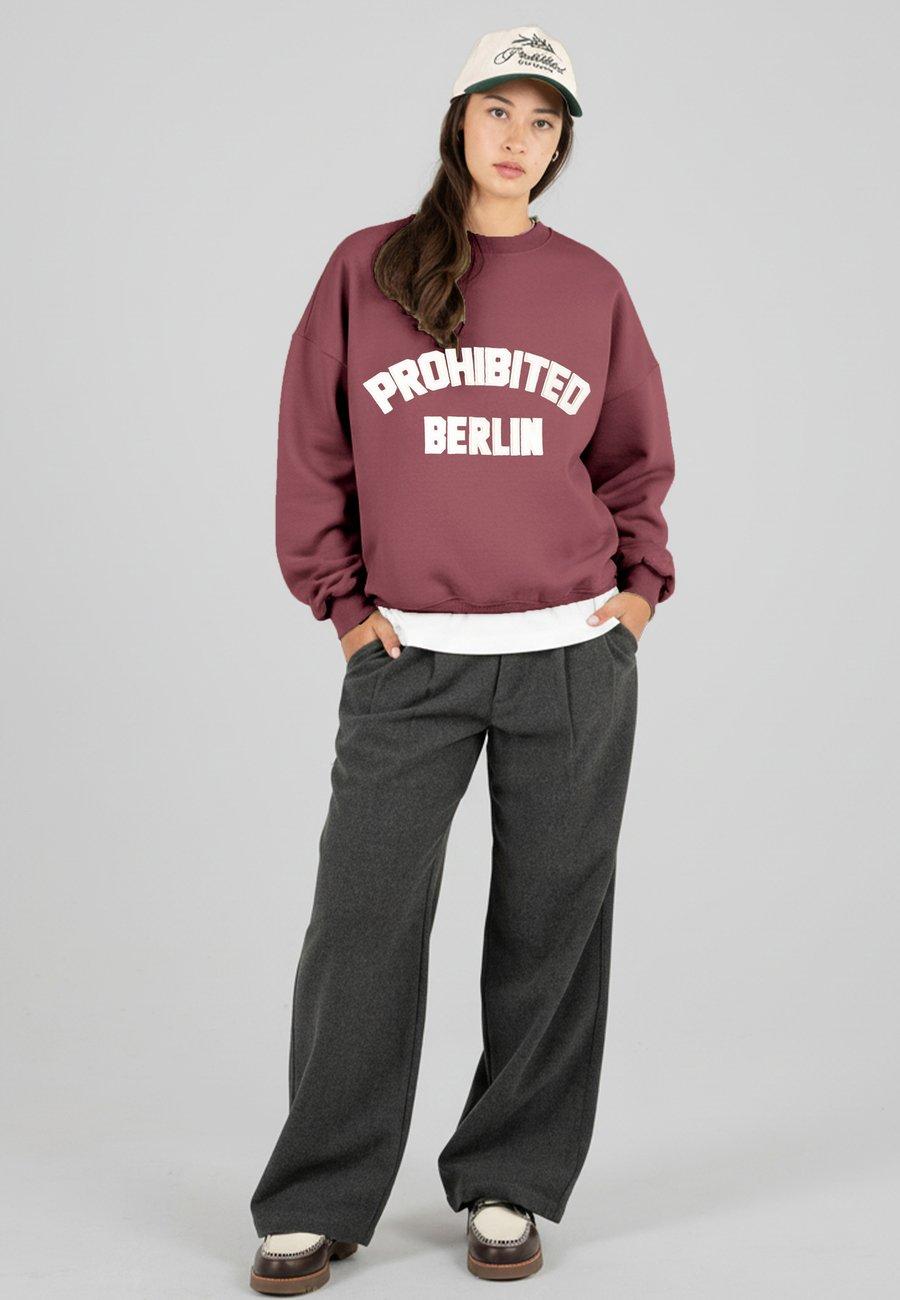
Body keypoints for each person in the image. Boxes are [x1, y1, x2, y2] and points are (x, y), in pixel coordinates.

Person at [248, 23, 676, 1293]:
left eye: (544, 121)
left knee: (553, 926)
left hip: (570, 657)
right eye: (500, 111)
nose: (518, 139)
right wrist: (341, 604)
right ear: (458, 119)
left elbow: (635, 456)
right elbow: (313, 447)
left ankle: (509, 1180)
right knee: (363, 922)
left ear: (560, 143)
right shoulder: (367, 267)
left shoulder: (591, 285)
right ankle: (318, 1194)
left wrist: (637, 593)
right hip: (411, 658)